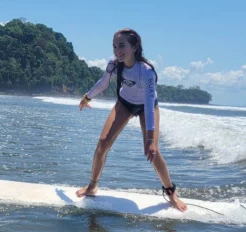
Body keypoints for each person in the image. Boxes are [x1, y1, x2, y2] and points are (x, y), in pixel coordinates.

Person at [75, 28, 187, 212]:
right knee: (103, 143)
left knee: (152, 151)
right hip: (124, 103)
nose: (117, 50)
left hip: (146, 107)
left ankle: (171, 193)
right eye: (114, 46)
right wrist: (87, 97)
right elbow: (103, 83)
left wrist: (151, 140)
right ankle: (92, 186)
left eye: (121, 45)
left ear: (134, 46)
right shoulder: (114, 65)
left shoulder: (147, 72)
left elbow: (150, 105)